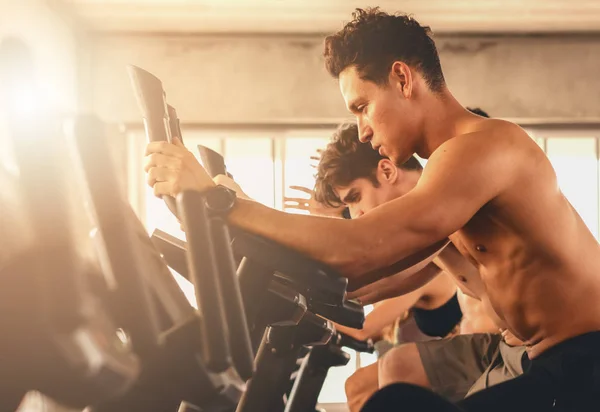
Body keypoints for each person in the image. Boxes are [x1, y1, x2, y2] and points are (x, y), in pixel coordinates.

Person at [143, 7, 600, 410]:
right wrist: (243, 223)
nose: (362, 131)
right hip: (538, 358)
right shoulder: (450, 168)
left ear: (402, 79)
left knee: (394, 405)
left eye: (363, 107)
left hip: (582, 363)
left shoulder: (483, 149)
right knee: (394, 398)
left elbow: (359, 249)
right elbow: (364, 280)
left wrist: (223, 202)